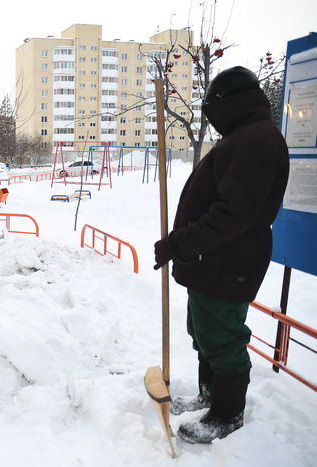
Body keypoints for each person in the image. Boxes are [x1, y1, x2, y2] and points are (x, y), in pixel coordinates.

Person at [153, 66, 289, 444]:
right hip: (211, 263)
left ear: (229, 106)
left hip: (226, 264)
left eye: (213, 112)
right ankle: (209, 395)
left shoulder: (254, 142)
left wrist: (177, 244)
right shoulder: (245, 137)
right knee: (204, 332)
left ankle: (227, 414)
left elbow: (233, 214)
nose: (211, 121)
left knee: (222, 337)